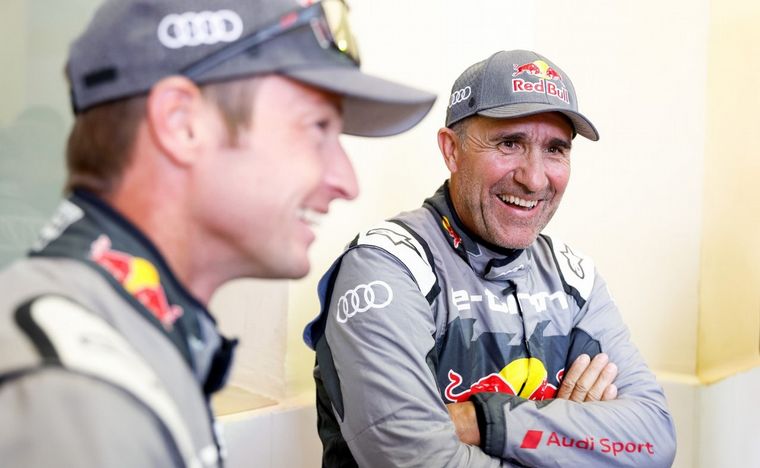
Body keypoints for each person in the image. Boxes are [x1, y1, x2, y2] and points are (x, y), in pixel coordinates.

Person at [0, 0, 435, 466]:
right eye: (317, 128)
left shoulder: (139, 332)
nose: (346, 182)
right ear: (182, 124)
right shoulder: (71, 392)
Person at [304, 50, 676, 467]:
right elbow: (419, 460)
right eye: (509, 143)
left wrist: (483, 420)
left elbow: (654, 440)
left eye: (556, 149)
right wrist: (574, 441)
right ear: (451, 150)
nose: (534, 178)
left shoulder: (573, 278)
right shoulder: (386, 267)